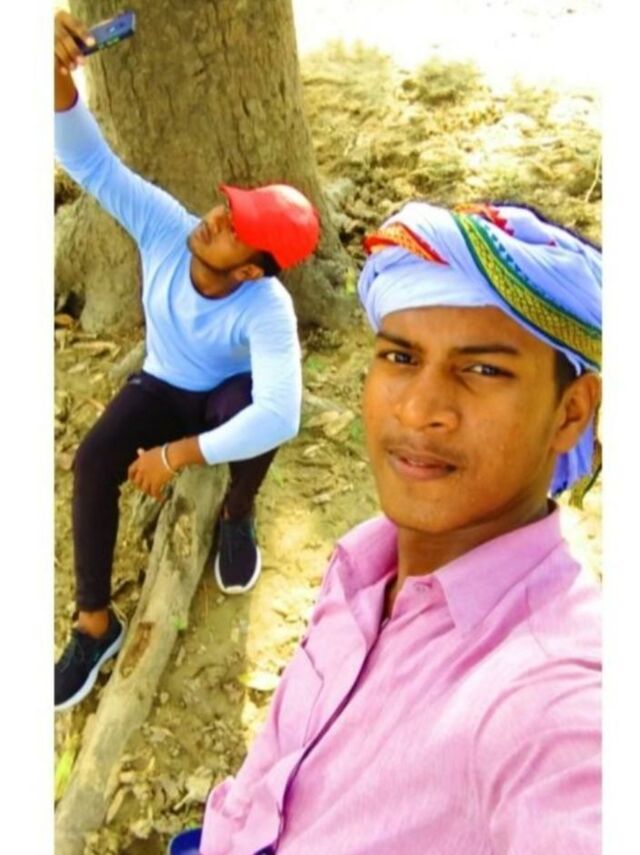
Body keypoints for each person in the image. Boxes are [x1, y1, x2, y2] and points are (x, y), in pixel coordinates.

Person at [192, 200, 601, 853]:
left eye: (483, 369)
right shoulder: (364, 564)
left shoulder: (554, 697)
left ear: (570, 413)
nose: (418, 409)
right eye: (401, 357)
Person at [54, 11, 320, 713]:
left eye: (238, 230)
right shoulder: (167, 227)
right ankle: (95, 626)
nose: (217, 218)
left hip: (219, 400)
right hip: (161, 383)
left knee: (250, 410)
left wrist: (176, 457)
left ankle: (237, 509)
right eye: (230, 207)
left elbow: (282, 413)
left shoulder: (267, 307)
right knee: (93, 461)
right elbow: (91, 164)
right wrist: (54, 82)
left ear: (253, 270)